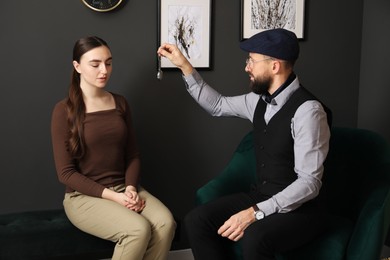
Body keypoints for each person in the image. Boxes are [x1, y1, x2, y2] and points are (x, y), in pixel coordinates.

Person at [157, 28, 331, 260]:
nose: (246, 67)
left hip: (301, 211)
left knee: (254, 236)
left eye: (251, 60)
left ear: (274, 66)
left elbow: (309, 183)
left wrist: (256, 212)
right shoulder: (258, 100)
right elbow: (217, 105)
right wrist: (184, 66)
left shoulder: (308, 112)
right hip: (263, 196)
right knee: (196, 220)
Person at [51, 36, 176, 260]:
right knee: (137, 230)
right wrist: (116, 198)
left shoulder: (120, 103)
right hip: (84, 198)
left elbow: (133, 154)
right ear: (77, 66)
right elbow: (66, 173)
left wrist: (129, 188)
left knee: (166, 223)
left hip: (124, 189)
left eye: (108, 63)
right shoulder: (63, 110)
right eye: (95, 64)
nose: (104, 70)